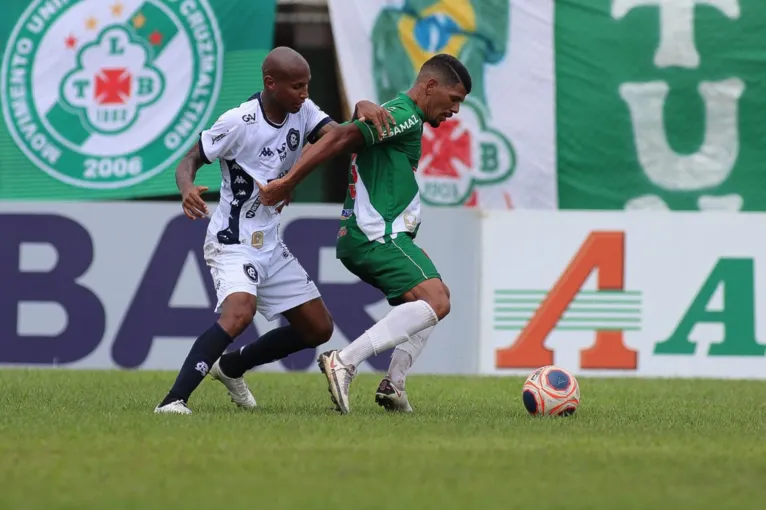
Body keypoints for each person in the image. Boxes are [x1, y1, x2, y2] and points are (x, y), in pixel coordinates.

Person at [154, 47, 395, 414]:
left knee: (318, 328)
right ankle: (173, 401)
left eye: (308, 85)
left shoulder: (305, 111)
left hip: (269, 241)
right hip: (233, 240)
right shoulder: (239, 122)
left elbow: (338, 138)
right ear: (271, 84)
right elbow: (191, 157)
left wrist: (358, 108)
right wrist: (187, 188)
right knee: (239, 313)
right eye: (297, 86)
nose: (305, 93)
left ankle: (232, 367)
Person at [257, 53, 472, 414]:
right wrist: (288, 181)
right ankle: (345, 361)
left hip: (371, 236)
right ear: (430, 86)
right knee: (437, 300)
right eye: (454, 99)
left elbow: (348, 134)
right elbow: (341, 138)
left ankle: (394, 385)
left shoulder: (399, 115)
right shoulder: (403, 115)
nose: (455, 110)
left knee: (431, 300)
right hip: (378, 235)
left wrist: (358, 109)